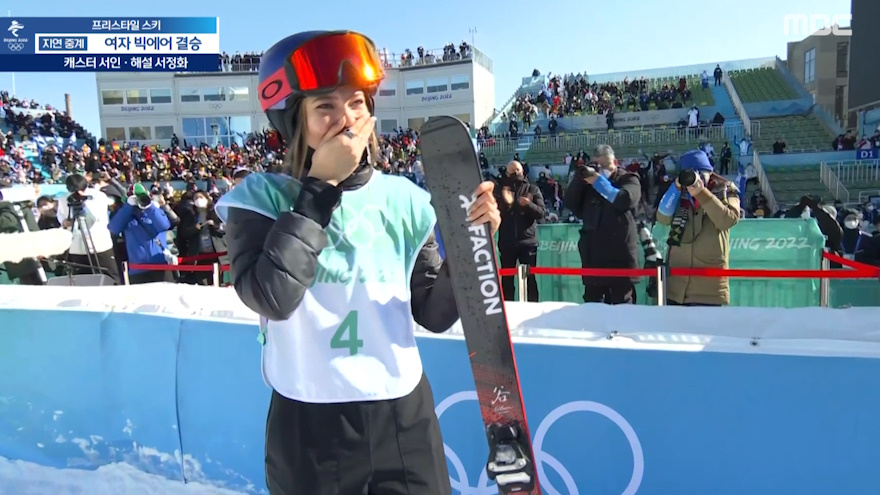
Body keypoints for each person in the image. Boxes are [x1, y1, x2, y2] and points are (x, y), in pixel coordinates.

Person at [213, 30, 501, 495]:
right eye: (324, 107)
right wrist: (319, 190)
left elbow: (433, 312)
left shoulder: (405, 199)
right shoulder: (260, 198)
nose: (344, 120)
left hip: (403, 416)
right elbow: (271, 296)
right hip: (308, 422)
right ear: (295, 121)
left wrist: (469, 254)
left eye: (357, 104)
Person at [656, 150, 740, 306]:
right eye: (692, 173)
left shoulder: (726, 190)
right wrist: (676, 187)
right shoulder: (679, 194)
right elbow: (662, 217)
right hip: (676, 287)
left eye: (701, 173)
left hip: (708, 290)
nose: (697, 178)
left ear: (710, 172)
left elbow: (727, 220)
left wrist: (702, 193)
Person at [564, 144, 642, 304]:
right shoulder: (588, 186)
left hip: (620, 256)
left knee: (623, 305)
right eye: (597, 166)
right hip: (593, 254)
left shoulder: (628, 178)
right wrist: (580, 178)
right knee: (593, 306)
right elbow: (570, 202)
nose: (601, 170)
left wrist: (599, 181)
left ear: (615, 161)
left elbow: (624, 199)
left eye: (605, 166)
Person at [56, 173, 120, 283]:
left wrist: (84, 202)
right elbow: (61, 216)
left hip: (99, 245)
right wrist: (65, 222)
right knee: (82, 281)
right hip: (77, 248)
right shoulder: (64, 199)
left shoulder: (97, 196)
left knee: (109, 279)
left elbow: (94, 218)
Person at [495, 160, 544, 301]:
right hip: (506, 243)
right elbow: (495, 215)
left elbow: (541, 213)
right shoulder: (500, 190)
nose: (515, 174)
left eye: (517, 170)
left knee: (530, 279)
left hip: (528, 243)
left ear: (523, 171)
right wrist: (506, 204)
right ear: (506, 172)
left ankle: (533, 309)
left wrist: (528, 205)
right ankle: (507, 310)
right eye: (512, 171)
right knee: (507, 280)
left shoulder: (532, 189)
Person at [108, 183, 176, 284]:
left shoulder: (154, 211)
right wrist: (128, 207)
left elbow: (164, 225)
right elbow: (113, 228)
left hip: (161, 264)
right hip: (138, 268)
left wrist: (149, 207)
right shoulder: (126, 216)